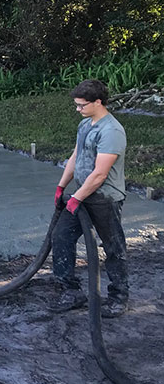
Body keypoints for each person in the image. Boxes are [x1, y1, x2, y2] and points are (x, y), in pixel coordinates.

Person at [49, 80, 129, 318]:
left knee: (113, 247)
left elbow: (100, 174)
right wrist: (62, 185)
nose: (78, 109)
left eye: (82, 105)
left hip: (105, 198)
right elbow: (76, 155)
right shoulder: (85, 125)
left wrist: (75, 198)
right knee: (61, 236)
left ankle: (119, 298)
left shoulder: (111, 131)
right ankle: (71, 291)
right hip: (80, 196)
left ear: (98, 102)